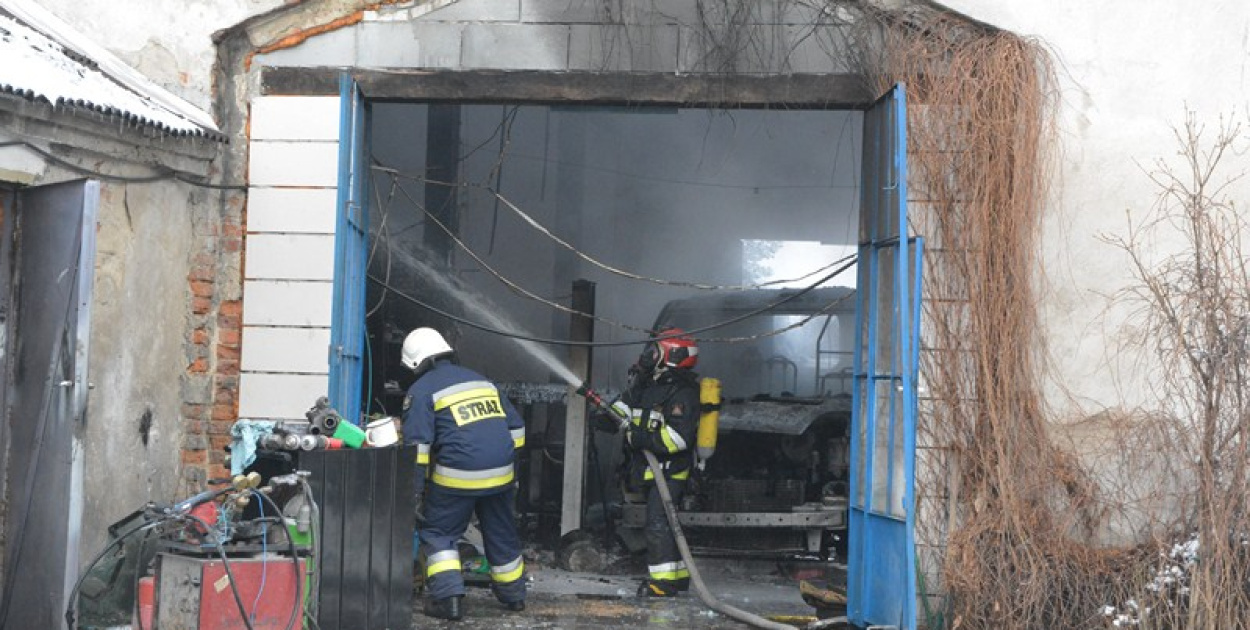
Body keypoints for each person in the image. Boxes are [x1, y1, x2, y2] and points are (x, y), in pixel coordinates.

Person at [400, 327, 527, 621]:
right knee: (501, 532)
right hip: (501, 475)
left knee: (438, 532)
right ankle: (514, 596)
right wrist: (508, 464)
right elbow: (517, 429)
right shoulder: (481, 380)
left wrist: (415, 492)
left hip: (457, 476)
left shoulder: (422, 390)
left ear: (417, 363)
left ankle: (448, 600)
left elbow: (418, 448)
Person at [613, 326, 702, 598]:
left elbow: (677, 438)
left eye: (654, 351)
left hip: (670, 473)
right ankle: (678, 577)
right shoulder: (648, 385)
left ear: (671, 355)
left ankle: (662, 583)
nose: (648, 356)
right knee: (665, 522)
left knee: (658, 524)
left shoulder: (683, 393)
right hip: (652, 471)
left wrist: (641, 439)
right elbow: (623, 408)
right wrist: (606, 415)